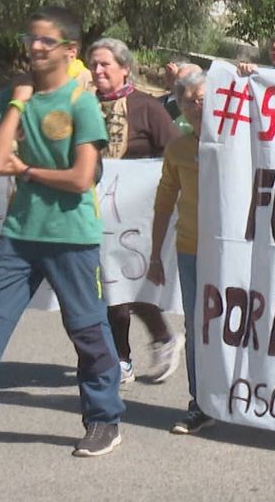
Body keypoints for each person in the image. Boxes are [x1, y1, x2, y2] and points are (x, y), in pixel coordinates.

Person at [0, 6, 125, 463]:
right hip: (20, 234)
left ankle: (103, 420)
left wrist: (27, 169)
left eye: (46, 40)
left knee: (88, 332)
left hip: (71, 236)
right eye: (31, 38)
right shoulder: (19, 94)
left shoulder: (80, 102)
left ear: (69, 50)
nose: (34, 46)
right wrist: (16, 102)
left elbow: (81, 178)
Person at [88, 38, 183, 385]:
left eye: (105, 64)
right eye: (93, 64)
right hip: (92, 209)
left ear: (125, 68)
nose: (98, 71)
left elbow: (175, 151)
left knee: (124, 285)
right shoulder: (83, 105)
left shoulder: (146, 108)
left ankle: (142, 347)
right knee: (105, 287)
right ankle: (127, 354)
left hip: (136, 212)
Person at [148, 71, 214, 435]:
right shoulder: (177, 150)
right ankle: (199, 404)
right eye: (188, 100)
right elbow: (163, 203)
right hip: (191, 251)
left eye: (202, 97)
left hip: (239, 254)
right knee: (196, 327)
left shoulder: (242, 142)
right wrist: (155, 255)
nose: (196, 105)